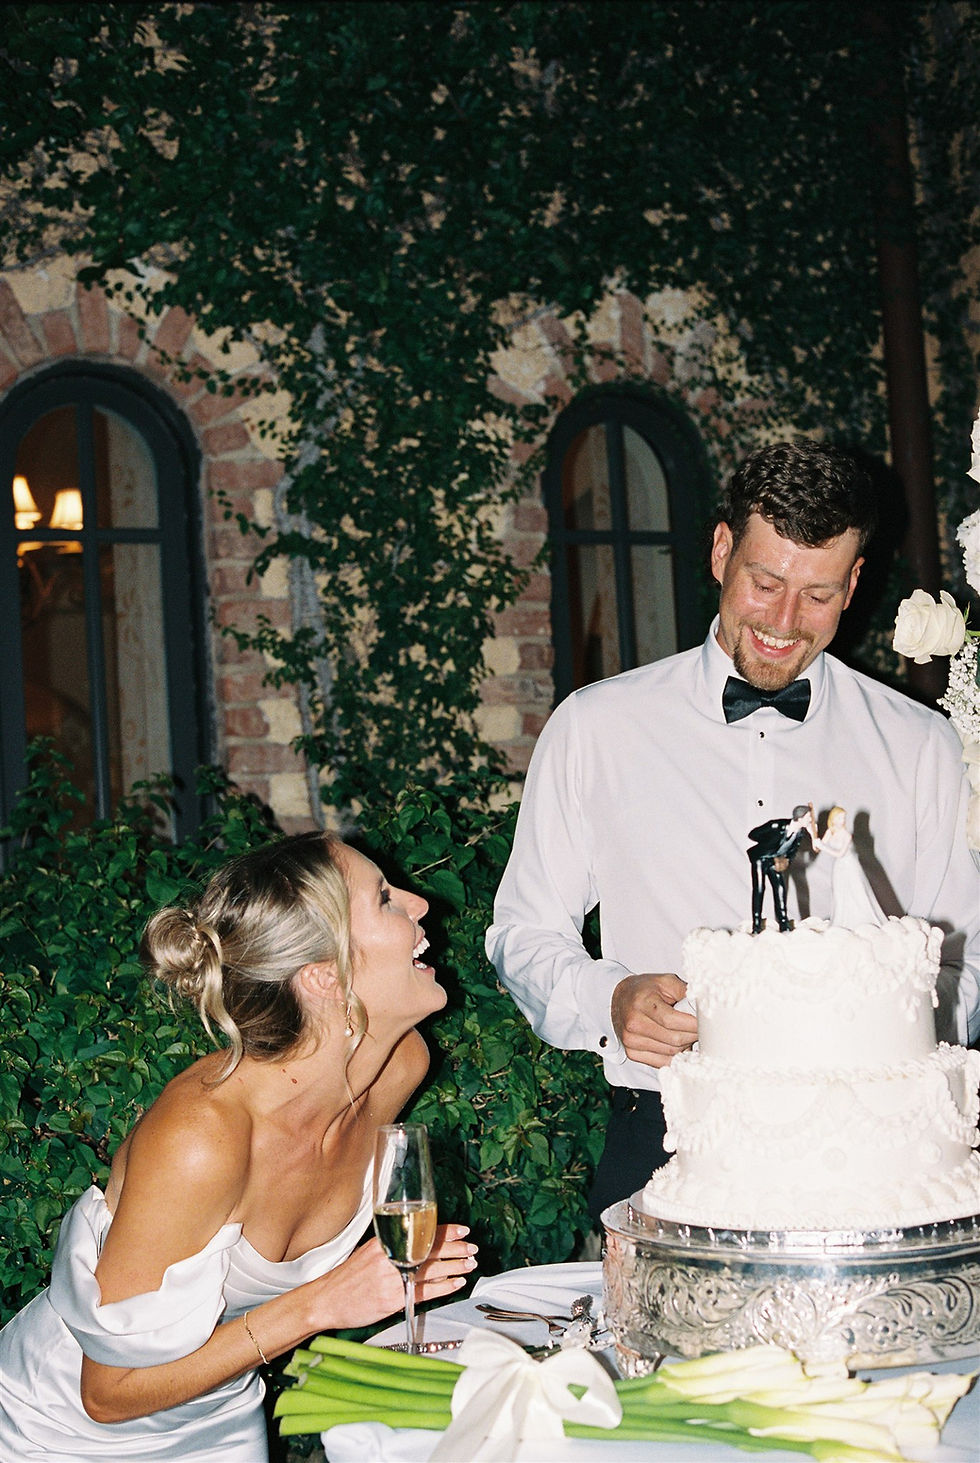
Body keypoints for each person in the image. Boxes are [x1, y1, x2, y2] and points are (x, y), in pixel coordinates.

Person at [486, 438, 980, 1222]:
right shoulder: (596, 728)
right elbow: (522, 933)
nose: (784, 622)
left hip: (869, 1158)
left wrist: (884, 1030)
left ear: (853, 584)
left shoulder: (919, 745)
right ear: (722, 551)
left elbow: (963, 959)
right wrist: (609, 997)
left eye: (817, 594)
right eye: (765, 582)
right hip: (666, 1135)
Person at [0, 832, 478, 1460]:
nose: (420, 904)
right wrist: (322, 1305)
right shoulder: (202, 1137)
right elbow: (107, 1394)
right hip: (60, 1431)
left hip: (222, 1415)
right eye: (385, 898)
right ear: (325, 977)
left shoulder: (399, 1066)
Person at [812, 804, 887, 927]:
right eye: (840, 818)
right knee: (840, 893)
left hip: (850, 865)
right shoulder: (830, 832)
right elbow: (817, 848)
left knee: (855, 891)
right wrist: (813, 835)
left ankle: (861, 920)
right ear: (833, 819)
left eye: (843, 818)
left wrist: (822, 846)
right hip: (838, 867)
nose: (842, 820)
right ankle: (843, 920)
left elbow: (840, 854)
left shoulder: (846, 835)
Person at [747, 804, 815, 933]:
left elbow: (794, 850)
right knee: (759, 889)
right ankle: (756, 926)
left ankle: (783, 924)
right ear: (800, 818)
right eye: (808, 817)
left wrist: (786, 859)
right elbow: (753, 834)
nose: (811, 820)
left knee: (780, 889)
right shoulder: (776, 826)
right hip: (761, 858)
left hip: (776, 861)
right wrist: (768, 846)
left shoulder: (800, 832)